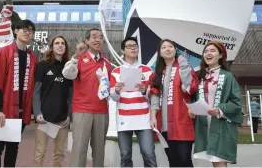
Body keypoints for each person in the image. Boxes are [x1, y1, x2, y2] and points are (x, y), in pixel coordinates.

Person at [0, 20, 38, 167]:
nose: (28, 32)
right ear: (15, 31)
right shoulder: (4, 52)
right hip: (4, 110)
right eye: (25, 29)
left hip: (21, 112)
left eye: (31, 30)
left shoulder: (32, 56)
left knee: (13, 148)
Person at [62, 28, 111, 167]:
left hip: (102, 111)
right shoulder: (79, 60)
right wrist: (76, 56)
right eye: (94, 37)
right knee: (79, 150)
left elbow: (110, 87)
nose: (98, 40)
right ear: (87, 41)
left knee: (99, 150)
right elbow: (67, 74)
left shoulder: (106, 63)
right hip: (82, 110)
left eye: (100, 37)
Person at [191, 41, 243, 167]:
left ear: (221, 55)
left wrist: (219, 110)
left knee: (219, 159)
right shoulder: (199, 76)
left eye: (212, 50)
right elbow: (193, 97)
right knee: (215, 160)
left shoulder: (229, 77)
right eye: (206, 51)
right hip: (203, 123)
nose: (208, 53)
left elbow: (236, 103)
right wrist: (192, 109)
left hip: (221, 122)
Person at [149, 39, 198, 167]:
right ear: (160, 53)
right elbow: (154, 95)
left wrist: (184, 66)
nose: (167, 49)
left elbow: (190, 88)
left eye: (170, 46)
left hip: (181, 120)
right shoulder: (158, 72)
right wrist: (153, 116)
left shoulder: (184, 66)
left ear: (175, 50)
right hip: (164, 124)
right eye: (164, 47)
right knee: (172, 160)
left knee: (184, 159)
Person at [110, 37, 157, 167]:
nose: (133, 48)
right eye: (129, 46)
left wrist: (145, 90)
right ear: (123, 50)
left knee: (149, 154)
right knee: (125, 156)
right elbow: (113, 97)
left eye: (135, 46)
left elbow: (153, 95)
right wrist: (117, 91)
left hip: (144, 118)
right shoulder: (115, 72)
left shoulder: (147, 70)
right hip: (124, 117)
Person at [33, 36, 72, 166]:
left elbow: (71, 95)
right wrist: (37, 112)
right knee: (40, 152)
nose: (60, 45)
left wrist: (69, 116)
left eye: (62, 43)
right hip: (43, 117)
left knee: (59, 154)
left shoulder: (69, 67)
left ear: (65, 47)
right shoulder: (43, 65)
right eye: (57, 43)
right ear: (52, 47)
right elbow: (36, 91)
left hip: (62, 119)